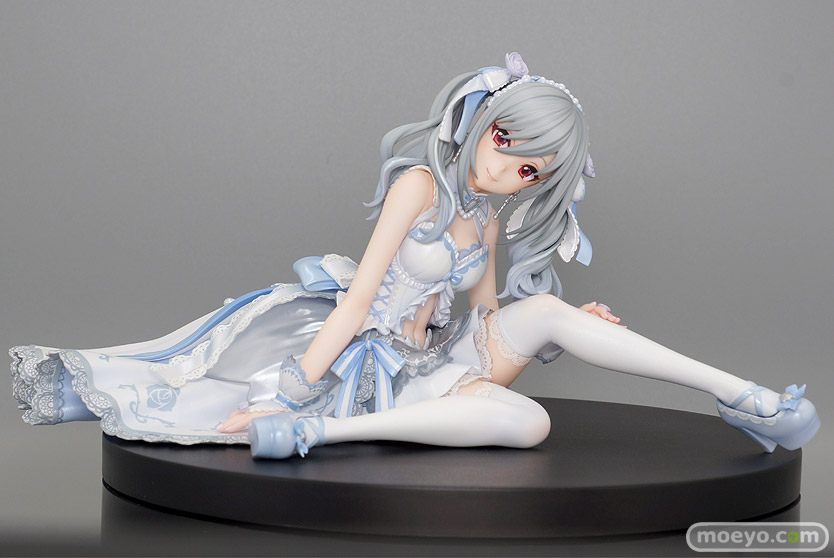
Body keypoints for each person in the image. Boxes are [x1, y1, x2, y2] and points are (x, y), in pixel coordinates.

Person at [10, 53, 819, 459]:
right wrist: (296, 390)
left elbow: (488, 321)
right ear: (483, 121)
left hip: (435, 357)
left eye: (532, 171)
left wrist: (565, 328)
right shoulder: (419, 188)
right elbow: (361, 300)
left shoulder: (487, 217)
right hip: (360, 355)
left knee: (538, 370)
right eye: (508, 144)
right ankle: (315, 433)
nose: (508, 170)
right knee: (529, 416)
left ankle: (744, 398)